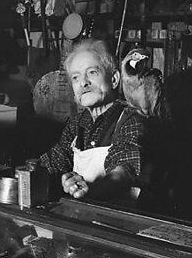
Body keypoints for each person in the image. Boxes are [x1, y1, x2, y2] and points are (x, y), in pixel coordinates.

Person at [39, 38, 145, 205]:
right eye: (75, 77)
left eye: (92, 72)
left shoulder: (131, 120)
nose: (83, 83)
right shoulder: (77, 124)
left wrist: (92, 189)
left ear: (114, 79)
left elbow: (123, 170)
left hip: (120, 221)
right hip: (85, 215)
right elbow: (53, 163)